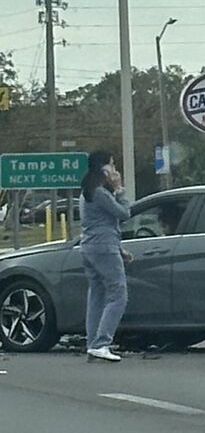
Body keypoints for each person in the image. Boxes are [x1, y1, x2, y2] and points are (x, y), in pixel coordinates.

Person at [79, 150, 131, 362]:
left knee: (97, 295)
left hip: (91, 247)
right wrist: (120, 190)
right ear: (102, 168)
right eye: (112, 165)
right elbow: (124, 214)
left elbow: (102, 223)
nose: (114, 170)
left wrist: (119, 249)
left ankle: (93, 344)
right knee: (118, 295)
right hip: (103, 247)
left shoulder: (87, 191)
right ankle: (101, 343)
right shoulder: (100, 192)